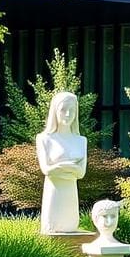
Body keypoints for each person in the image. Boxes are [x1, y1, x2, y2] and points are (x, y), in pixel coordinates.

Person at [36, 92, 87, 233]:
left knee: (70, 228)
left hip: (70, 192)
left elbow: (81, 173)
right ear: (55, 111)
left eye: (72, 110)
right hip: (54, 192)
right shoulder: (44, 139)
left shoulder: (81, 140)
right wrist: (69, 166)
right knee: (52, 229)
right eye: (63, 110)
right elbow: (46, 170)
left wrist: (59, 168)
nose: (67, 114)